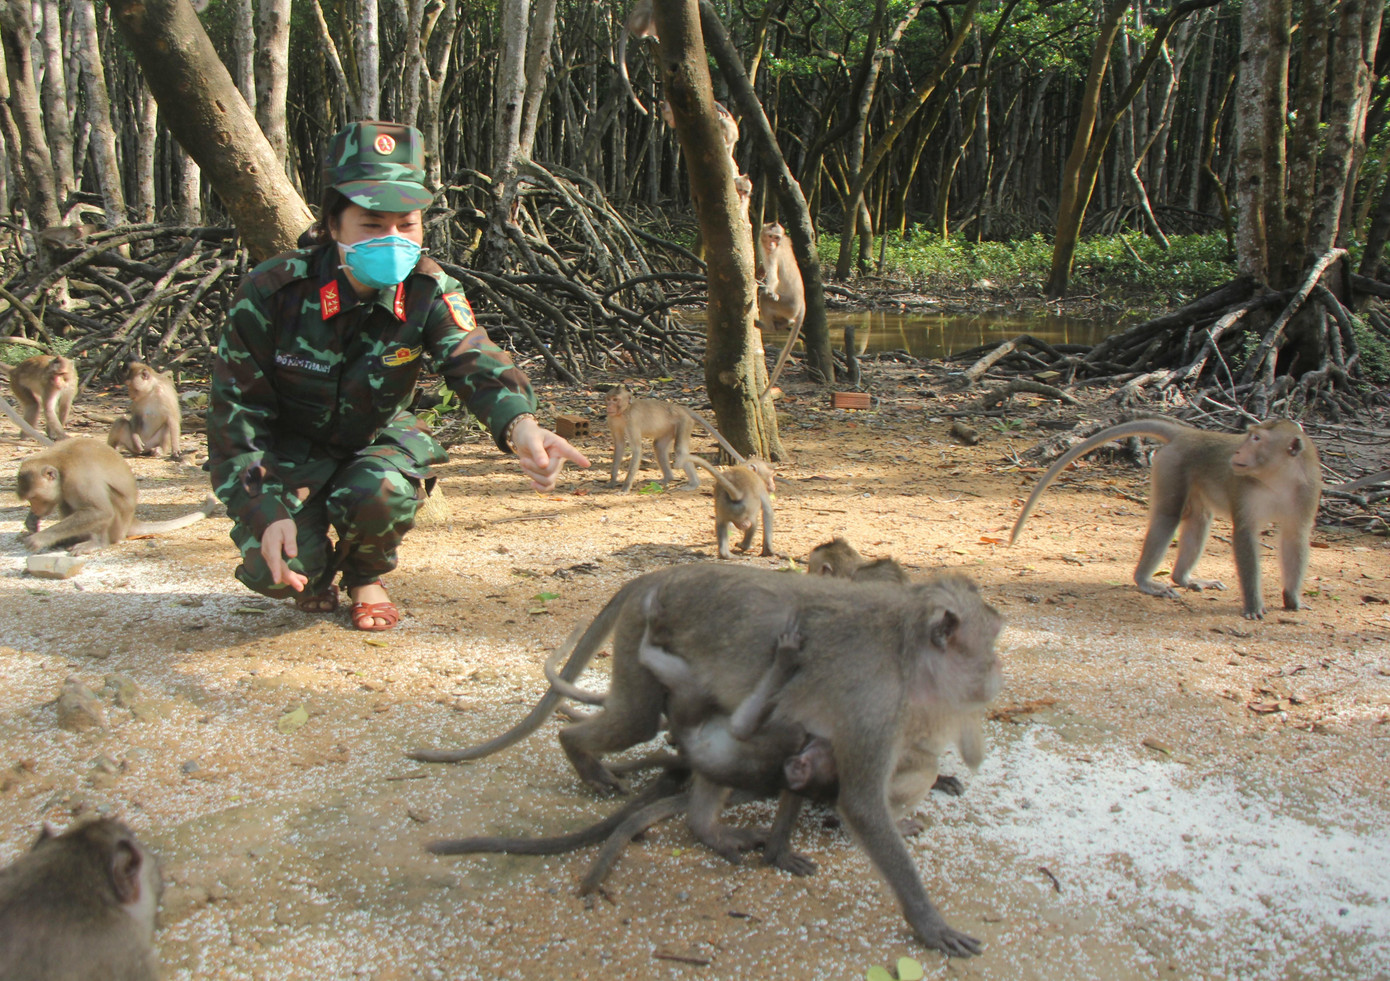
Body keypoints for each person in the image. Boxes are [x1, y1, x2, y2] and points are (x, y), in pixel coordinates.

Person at [208, 120, 589, 630]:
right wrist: (264, 509)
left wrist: (521, 425)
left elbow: (472, 355)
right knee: (279, 570)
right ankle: (317, 570)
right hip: (288, 452)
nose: (392, 239)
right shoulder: (273, 293)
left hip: (377, 439)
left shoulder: (428, 289)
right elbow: (237, 418)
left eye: (406, 224)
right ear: (332, 223)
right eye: (371, 224)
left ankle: (366, 574)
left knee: (382, 488)